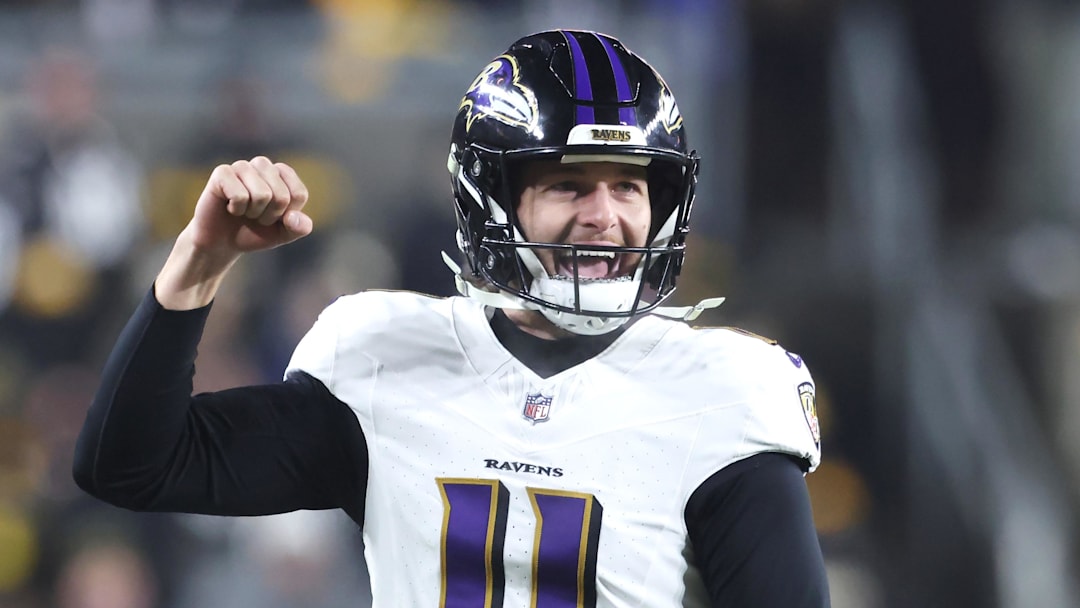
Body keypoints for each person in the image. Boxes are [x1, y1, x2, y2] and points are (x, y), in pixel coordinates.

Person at [73, 30, 829, 607]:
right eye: (570, 185)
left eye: (630, 188)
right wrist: (201, 259)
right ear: (492, 197)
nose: (607, 217)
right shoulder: (384, 357)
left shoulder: (720, 393)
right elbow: (130, 465)